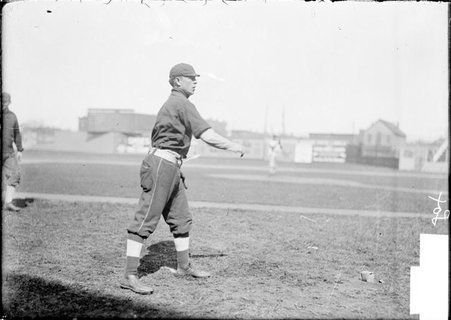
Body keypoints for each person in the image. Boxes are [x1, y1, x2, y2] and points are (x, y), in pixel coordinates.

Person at [120, 63, 244, 294]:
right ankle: (129, 275)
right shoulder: (181, 103)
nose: (195, 81)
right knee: (145, 218)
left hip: (172, 165)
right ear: (178, 81)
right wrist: (234, 146)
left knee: (181, 218)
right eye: (191, 78)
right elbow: (206, 135)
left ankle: (184, 267)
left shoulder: (176, 103)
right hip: (162, 164)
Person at [2, 92, 24, 212]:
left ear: (9, 102)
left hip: (9, 153)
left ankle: (8, 202)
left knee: (15, 175)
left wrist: (20, 150)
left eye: (4, 102)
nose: (2, 104)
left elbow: (17, 134)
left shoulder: (12, 117)